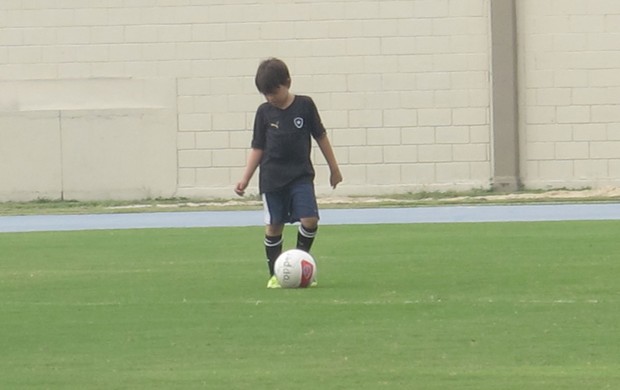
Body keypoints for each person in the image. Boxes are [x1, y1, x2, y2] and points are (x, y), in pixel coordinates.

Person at [234, 57, 343, 288]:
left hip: (300, 176)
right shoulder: (264, 112)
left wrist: (334, 168)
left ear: (288, 83)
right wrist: (245, 177)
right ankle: (275, 274)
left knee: (310, 220)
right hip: (272, 179)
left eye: (274, 92)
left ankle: (300, 262)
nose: (270, 98)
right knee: (274, 225)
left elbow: (321, 136)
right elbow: (258, 147)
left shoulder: (305, 105)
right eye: (266, 94)